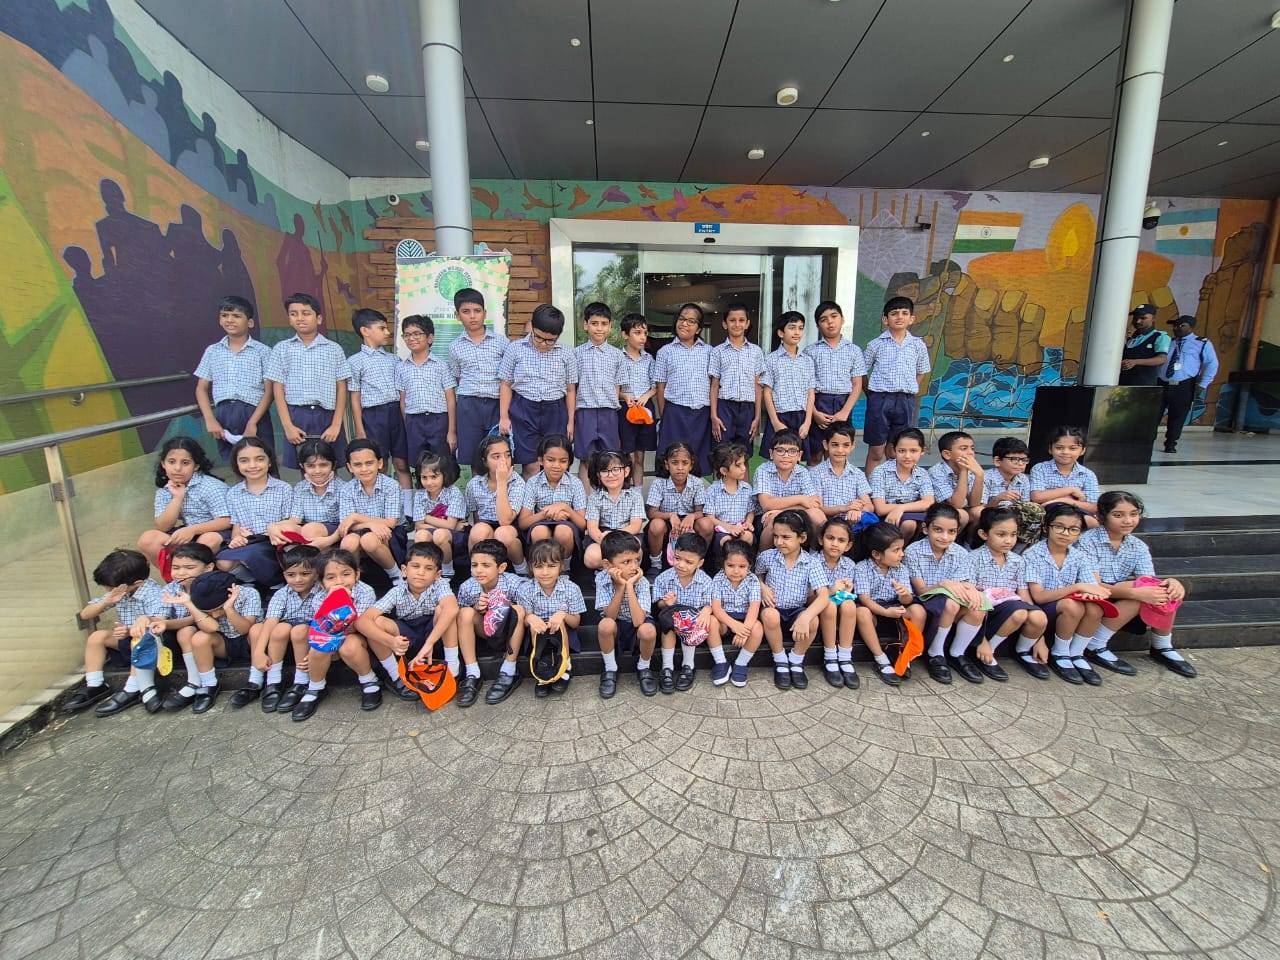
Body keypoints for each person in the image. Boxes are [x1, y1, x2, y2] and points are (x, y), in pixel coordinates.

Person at [1078, 491, 1195, 678]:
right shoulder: (1087, 541)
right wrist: (1136, 592)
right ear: (1101, 516)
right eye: (1118, 515)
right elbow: (1093, 585)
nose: (1128, 520)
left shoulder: (1137, 546)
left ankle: (1162, 646)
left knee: (1163, 590)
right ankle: (1095, 645)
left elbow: (1148, 580)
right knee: (1140, 593)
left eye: (1133, 514)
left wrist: (1171, 583)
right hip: (1091, 596)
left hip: (1120, 596)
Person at [63, 548, 167, 716]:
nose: (108, 590)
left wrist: (130, 630)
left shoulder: (153, 593)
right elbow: (85, 615)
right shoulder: (118, 592)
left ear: (137, 583)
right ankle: (95, 685)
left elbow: (158, 621)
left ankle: (132, 688)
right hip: (127, 639)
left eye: (110, 587)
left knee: (139, 640)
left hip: (153, 645)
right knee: (97, 637)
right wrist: (106, 601)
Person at [357, 541, 462, 698]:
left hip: (435, 637)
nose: (421, 572)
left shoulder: (440, 586)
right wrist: (390, 641)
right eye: (415, 566)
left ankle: (453, 670)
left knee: (445, 610)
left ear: (437, 575)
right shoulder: (397, 592)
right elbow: (362, 621)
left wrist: (429, 643)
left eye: (428, 568)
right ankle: (397, 677)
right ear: (404, 570)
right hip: (407, 639)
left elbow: (452, 608)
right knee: (376, 623)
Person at [291, 548, 382, 721]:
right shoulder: (319, 598)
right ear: (322, 582)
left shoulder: (365, 591)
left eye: (346, 574)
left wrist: (342, 601)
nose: (339, 581)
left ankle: (369, 680)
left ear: (357, 574)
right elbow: (324, 627)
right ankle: (315, 687)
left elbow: (356, 625)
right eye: (331, 577)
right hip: (333, 636)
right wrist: (331, 602)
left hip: (358, 636)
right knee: (317, 649)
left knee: (349, 646)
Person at [1024, 503, 1111, 685]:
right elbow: (1039, 597)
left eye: (1073, 529)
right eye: (1059, 527)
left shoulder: (1079, 556)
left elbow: (1092, 588)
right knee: (1072, 605)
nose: (1065, 533)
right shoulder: (1032, 555)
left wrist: (1088, 592)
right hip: (1041, 611)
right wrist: (1077, 587)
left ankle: (1077, 653)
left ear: (1079, 533)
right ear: (1046, 528)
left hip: (1070, 608)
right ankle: (1060, 652)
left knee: (1095, 607)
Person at [264, 292, 351, 469]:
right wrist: (288, 426)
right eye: (293, 314)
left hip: (327, 415)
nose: (300, 318)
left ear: (318, 318)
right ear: (289, 319)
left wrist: (336, 424)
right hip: (296, 415)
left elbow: (342, 388)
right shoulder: (282, 349)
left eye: (306, 313)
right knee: (304, 465)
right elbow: (278, 389)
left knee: (331, 464)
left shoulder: (333, 349)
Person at [236, 543, 324, 712]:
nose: (297, 580)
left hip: (307, 644)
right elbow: (270, 621)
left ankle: (301, 681)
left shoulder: (322, 592)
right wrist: (259, 653)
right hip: (280, 644)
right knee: (262, 628)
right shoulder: (282, 593)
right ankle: (269, 681)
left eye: (305, 574)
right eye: (291, 575)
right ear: (284, 574)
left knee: (299, 630)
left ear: (317, 573)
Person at [966, 507, 1049, 684]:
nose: (1008, 540)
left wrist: (1040, 639)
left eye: (1013, 535)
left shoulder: (1017, 561)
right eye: (1001, 534)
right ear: (984, 534)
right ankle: (985, 649)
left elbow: (1024, 596)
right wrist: (981, 640)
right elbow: (971, 598)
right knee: (1018, 613)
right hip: (982, 612)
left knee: (1039, 617)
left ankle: (1022, 651)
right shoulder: (972, 559)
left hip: (1009, 609)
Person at [905, 503, 983, 686]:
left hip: (950, 601)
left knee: (978, 606)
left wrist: (971, 590)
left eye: (952, 531)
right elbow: (921, 591)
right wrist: (943, 584)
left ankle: (957, 653)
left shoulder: (960, 553)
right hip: (923, 600)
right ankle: (935, 652)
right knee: (951, 603)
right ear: (926, 529)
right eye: (938, 530)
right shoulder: (913, 552)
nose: (945, 537)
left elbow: (965, 583)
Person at [163, 569, 261, 713]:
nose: (214, 614)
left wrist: (229, 609)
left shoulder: (249, 594)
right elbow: (212, 627)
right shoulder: (200, 598)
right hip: (224, 642)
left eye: (218, 609)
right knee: (200, 637)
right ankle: (209, 684)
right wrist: (190, 604)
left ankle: (255, 681)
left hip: (249, 641)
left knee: (257, 629)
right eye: (209, 611)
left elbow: (244, 629)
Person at [498, 303, 578, 477]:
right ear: (532, 327)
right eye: (539, 338)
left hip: (555, 410)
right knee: (531, 464)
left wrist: (570, 421)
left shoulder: (566, 354)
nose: (543, 344)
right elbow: (505, 384)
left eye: (550, 340)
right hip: (524, 409)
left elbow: (571, 390)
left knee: (555, 462)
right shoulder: (515, 349)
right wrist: (504, 417)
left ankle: (556, 495)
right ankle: (530, 496)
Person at [193, 294, 274, 461]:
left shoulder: (263, 352)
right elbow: (201, 388)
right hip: (223, 413)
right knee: (234, 462)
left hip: (254, 412)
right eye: (225, 315)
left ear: (250, 322)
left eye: (237, 316)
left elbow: (269, 391)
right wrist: (210, 419)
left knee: (263, 459)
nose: (230, 320)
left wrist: (252, 423)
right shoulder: (213, 351)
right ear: (219, 319)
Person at [755, 510, 829, 691]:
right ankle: (780, 659)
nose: (779, 542)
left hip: (796, 610)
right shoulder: (767, 557)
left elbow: (823, 596)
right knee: (770, 615)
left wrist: (805, 617)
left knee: (813, 620)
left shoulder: (812, 562)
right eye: (776, 536)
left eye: (786, 537)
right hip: (773, 609)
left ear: (802, 538)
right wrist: (762, 586)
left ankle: (796, 659)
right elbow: (754, 575)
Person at [137, 436, 231, 571]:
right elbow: (162, 526)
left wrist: (192, 530)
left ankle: (201, 578)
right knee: (148, 539)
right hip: (188, 531)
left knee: (207, 540)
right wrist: (177, 498)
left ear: (196, 466)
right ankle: (175, 578)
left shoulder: (211, 486)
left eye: (185, 463)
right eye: (171, 462)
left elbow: (226, 520)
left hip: (216, 532)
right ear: (163, 464)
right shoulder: (164, 490)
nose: (177, 468)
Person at [862, 296, 931, 472]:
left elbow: (921, 371)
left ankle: (894, 484)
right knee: (876, 450)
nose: (899, 316)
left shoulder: (918, 345)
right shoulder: (876, 344)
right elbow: (861, 371)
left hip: (905, 400)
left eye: (904, 313)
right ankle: (871, 486)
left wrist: (911, 389)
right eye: (894, 313)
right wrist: (871, 393)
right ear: (885, 319)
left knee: (896, 449)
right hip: (880, 399)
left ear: (911, 318)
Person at [853, 522, 925, 686]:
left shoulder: (901, 569)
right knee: (862, 612)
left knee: (918, 611)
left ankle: (903, 654)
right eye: (896, 550)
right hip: (873, 609)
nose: (902, 554)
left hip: (894, 607)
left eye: (901, 549)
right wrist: (885, 612)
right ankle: (880, 658)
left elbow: (907, 601)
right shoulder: (862, 568)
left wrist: (904, 595)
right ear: (877, 554)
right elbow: (865, 599)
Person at [456, 539, 527, 705]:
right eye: (474, 565)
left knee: (518, 610)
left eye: (486, 565)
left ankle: (509, 670)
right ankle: (472, 673)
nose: (479, 570)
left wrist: (500, 607)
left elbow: (527, 611)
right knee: (465, 613)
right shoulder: (467, 587)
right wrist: (476, 608)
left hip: (510, 632)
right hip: (484, 632)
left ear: (501, 568)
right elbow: (459, 618)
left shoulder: (514, 583)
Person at [347, 307, 411, 491]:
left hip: (396, 414)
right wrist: (360, 429)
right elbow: (355, 398)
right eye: (382, 328)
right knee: (378, 464)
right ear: (365, 331)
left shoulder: (394, 360)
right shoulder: (354, 362)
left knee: (402, 463)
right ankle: (380, 504)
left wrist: (405, 418)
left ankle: (407, 506)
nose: (387, 332)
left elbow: (402, 394)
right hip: (373, 417)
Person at [216, 438, 293, 587]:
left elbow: (289, 521)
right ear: (236, 464)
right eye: (244, 461)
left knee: (254, 554)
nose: (252, 465)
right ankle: (251, 582)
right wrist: (237, 538)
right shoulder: (233, 493)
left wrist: (270, 531)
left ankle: (275, 585)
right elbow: (236, 525)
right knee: (223, 560)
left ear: (269, 462)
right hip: (249, 541)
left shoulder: (284, 489)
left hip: (274, 541)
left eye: (259, 459)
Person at [518, 540, 586, 698]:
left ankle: (564, 665)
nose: (545, 572)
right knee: (535, 624)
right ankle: (540, 664)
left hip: (565, 635)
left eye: (551, 566)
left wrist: (562, 614)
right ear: (531, 567)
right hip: (538, 636)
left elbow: (576, 622)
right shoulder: (526, 589)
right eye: (539, 566)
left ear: (561, 566)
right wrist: (530, 617)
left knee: (560, 622)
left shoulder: (571, 588)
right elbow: (524, 621)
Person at [448, 288, 507, 466]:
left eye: (477, 311)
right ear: (457, 315)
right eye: (466, 312)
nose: (472, 316)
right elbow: (457, 377)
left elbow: (508, 379)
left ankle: (499, 485)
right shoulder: (455, 347)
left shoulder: (501, 342)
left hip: (496, 404)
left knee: (498, 453)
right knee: (475, 457)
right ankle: (477, 485)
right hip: (468, 406)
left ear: (485, 313)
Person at [337, 439, 408, 585]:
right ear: (350, 467)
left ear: (379, 463)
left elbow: (391, 522)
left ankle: (396, 575)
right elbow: (346, 525)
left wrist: (356, 517)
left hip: (391, 533)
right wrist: (370, 524)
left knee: (368, 539)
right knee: (348, 542)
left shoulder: (391, 486)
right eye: (358, 465)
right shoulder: (346, 489)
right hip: (359, 530)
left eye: (369, 463)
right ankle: (353, 579)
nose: (364, 469)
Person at [594, 531, 657, 697]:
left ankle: (644, 667)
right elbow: (610, 617)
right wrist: (621, 587)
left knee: (648, 630)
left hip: (637, 625)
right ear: (607, 565)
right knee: (605, 625)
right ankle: (610, 668)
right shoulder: (601, 579)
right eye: (626, 562)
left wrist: (629, 586)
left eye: (636, 560)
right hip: (616, 625)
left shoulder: (641, 581)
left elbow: (639, 621)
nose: (634, 566)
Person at [654, 302, 713, 476]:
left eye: (691, 321)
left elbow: (714, 383)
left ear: (698, 328)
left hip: (702, 414)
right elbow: (660, 386)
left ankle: (694, 492)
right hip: (674, 413)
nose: (684, 324)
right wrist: (665, 415)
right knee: (671, 459)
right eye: (681, 319)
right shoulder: (665, 351)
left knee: (697, 461)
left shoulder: (709, 351)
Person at [653, 533, 717, 693]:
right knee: (669, 624)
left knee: (689, 622)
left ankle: (688, 665)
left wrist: (707, 610)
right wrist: (666, 603)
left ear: (700, 563)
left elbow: (709, 603)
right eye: (677, 558)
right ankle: (667, 668)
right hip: (671, 621)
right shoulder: (663, 578)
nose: (681, 565)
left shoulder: (705, 581)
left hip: (694, 626)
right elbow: (658, 603)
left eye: (689, 562)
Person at [804, 300, 865, 464]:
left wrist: (845, 412)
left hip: (843, 403)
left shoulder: (854, 350)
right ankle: (814, 482)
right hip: (818, 402)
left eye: (834, 316)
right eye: (823, 320)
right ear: (818, 326)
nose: (830, 322)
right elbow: (805, 386)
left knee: (838, 451)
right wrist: (814, 413)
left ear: (842, 319)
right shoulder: (810, 351)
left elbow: (857, 384)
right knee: (815, 453)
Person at [573, 302, 626, 487]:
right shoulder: (576, 354)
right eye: (594, 323)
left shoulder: (617, 355)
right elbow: (572, 386)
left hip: (608, 413)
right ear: (585, 325)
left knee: (610, 458)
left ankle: (608, 498)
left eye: (604, 324)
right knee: (586, 458)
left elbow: (618, 386)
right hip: (585, 412)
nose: (599, 328)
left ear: (610, 326)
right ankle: (585, 500)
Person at [518, 433, 587, 566]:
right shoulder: (533, 483)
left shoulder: (575, 483)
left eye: (563, 461)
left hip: (567, 525)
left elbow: (583, 524)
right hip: (540, 522)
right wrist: (546, 513)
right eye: (550, 460)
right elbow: (523, 523)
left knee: (563, 531)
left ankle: (564, 568)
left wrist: (565, 508)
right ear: (541, 460)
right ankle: (543, 566)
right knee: (539, 532)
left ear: (569, 463)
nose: (556, 465)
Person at [397, 314, 457, 465]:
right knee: (418, 464)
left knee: (441, 463)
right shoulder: (401, 367)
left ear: (430, 338)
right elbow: (403, 401)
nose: (411, 338)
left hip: (439, 420)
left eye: (417, 334)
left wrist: (451, 431)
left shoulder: (441, 366)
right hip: (413, 421)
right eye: (407, 335)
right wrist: (408, 425)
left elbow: (451, 400)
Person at [465, 435, 527, 575]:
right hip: (486, 523)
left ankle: (522, 571)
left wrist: (502, 482)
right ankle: (477, 571)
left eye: (507, 455)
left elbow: (505, 520)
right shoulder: (474, 484)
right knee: (478, 530)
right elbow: (475, 515)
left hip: (510, 525)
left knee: (502, 533)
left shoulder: (517, 482)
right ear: (485, 461)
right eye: (496, 457)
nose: (503, 461)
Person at [708, 301, 764, 455]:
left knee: (743, 453)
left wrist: (757, 417)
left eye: (741, 320)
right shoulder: (717, 351)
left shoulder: (756, 351)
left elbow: (758, 385)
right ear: (725, 324)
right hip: (724, 407)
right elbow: (714, 385)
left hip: (748, 408)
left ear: (747, 324)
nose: (737, 324)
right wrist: (714, 415)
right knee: (722, 452)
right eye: (732, 320)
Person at [754, 431, 826, 549]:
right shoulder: (763, 470)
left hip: (792, 513)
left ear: (799, 455)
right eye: (780, 450)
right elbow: (767, 505)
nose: (786, 455)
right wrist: (800, 499)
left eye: (792, 451)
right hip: (765, 518)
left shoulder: (802, 472)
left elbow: (814, 503)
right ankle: (763, 556)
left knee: (817, 515)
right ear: (771, 453)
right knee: (775, 519)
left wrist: (781, 509)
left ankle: (815, 553)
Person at [1159, 315, 1219, 454]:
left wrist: (1203, 384)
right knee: (1154, 414)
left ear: (1191, 327)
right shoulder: (1169, 342)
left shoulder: (1202, 343)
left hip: (1183, 384)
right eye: (1174, 325)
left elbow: (1211, 364)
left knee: (1178, 416)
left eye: (1181, 325)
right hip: (1162, 382)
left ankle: (1171, 443)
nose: (1176, 328)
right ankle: (1148, 441)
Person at [760, 311, 816, 458]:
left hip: (801, 416)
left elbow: (810, 392)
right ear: (781, 333)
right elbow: (767, 393)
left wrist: (808, 422)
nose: (797, 332)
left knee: (797, 457)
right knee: (778, 456)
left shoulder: (807, 360)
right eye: (792, 327)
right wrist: (775, 422)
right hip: (780, 415)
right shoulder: (771, 359)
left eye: (800, 328)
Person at [270, 438, 342, 551]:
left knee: (311, 529)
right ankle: (296, 558)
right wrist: (273, 526)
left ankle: (314, 557)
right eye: (311, 466)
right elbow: (295, 520)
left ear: (333, 465)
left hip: (336, 531)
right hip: (307, 530)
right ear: (302, 466)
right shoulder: (300, 488)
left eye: (323, 465)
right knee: (284, 529)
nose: (317, 471)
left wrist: (330, 539)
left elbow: (346, 523)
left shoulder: (343, 488)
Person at [710, 540, 765, 689]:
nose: (736, 571)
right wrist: (734, 625)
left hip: (745, 618)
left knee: (757, 628)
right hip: (724, 620)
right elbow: (716, 608)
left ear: (749, 566)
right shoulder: (718, 579)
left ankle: (741, 663)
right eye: (730, 565)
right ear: (723, 564)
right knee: (711, 621)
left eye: (742, 566)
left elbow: (754, 608)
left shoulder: (752, 580)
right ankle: (721, 662)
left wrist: (744, 631)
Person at [646, 441, 707, 573]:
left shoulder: (697, 483)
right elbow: (651, 512)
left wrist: (691, 516)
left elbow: (701, 511)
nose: (680, 467)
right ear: (667, 465)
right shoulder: (659, 483)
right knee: (656, 525)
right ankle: (655, 564)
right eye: (674, 463)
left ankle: (698, 562)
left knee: (706, 524)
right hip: (666, 522)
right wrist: (670, 515)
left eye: (685, 463)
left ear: (691, 465)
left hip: (688, 523)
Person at [812, 517, 859, 688]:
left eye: (841, 540)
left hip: (839, 608)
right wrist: (831, 591)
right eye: (830, 538)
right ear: (821, 539)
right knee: (829, 604)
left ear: (848, 546)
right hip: (817, 605)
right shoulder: (812, 561)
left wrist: (847, 590)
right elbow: (809, 597)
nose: (834, 544)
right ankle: (830, 656)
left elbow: (847, 595)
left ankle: (845, 656)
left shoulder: (849, 565)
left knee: (849, 604)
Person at [583, 449, 646, 570]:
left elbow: (635, 526)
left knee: (633, 554)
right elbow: (592, 527)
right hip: (602, 536)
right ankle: (605, 573)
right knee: (592, 557)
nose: (610, 475)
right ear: (598, 475)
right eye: (604, 471)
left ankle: (625, 574)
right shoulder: (594, 497)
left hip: (627, 534)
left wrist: (614, 537)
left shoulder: (635, 496)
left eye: (615, 469)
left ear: (626, 471)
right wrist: (605, 540)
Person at [869, 427, 935, 543]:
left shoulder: (922, 474)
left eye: (913, 451)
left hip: (914, 516)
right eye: (902, 451)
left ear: (922, 451)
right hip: (886, 519)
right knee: (909, 524)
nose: (907, 456)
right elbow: (880, 508)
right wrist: (900, 509)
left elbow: (928, 502)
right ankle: (897, 549)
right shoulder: (880, 472)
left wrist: (901, 508)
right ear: (894, 450)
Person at [410, 449, 467, 577]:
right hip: (438, 530)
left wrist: (426, 517)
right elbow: (419, 525)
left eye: (434, 477)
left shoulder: (453, 492)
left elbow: (450, 526)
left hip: (454, 536)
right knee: (420, 536)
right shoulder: (420, 494)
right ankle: (425, 569)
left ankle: (447, 570)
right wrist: (445, 525)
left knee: (440, 535)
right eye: (424, 477)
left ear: (444, 475)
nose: (429, 482)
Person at [1029, 425, 1100, 524]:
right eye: (1059, 448)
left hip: (1077, 517)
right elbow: (1037, 497)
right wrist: (1071, 490)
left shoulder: (1088, 475)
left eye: (1072, 448)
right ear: (1050, 449)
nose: (1065, 452)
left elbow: (1094, 507)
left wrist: (1066, 500)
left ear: (1083, 450)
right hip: (1048, 516)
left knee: (1093, 522)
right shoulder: (1040, 469)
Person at [617, 313, 657, 487]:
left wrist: (646, 396)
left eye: (645, 333)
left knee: (640, 455)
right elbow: (613, 387)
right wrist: (624, 396)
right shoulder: (617, 357)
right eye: (637, 333)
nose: (642, 337)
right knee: (628, 455)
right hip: (625, 408)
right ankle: (625, 490)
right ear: (625, 335)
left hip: (644, 408)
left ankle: (638, 494)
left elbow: (656, 386)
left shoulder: (649, 359)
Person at [697, 441, 756, 555]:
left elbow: (750, 511)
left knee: (747, 536)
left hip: (741, 527)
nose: (744, 468)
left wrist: (748, 523)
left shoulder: (747, 488)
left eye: (744, 463)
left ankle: (744, 562)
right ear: (724, 471)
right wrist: (729, 528)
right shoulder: (713, 490)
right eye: (738, 465)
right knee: (726, 541)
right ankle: (723, 563)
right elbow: (710, 517)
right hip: (722, 530)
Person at [813, 423, 874, 522]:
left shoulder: (857, 474)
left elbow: (869, 506)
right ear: (826, 445)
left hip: (852, 521)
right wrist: (845, 508)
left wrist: (857, 510)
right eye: (835, 445)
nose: (840, 450)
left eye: (846, 445)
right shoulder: (816, 473)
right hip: (826, 523)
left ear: (852, 446)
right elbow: (818, 508)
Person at [928, 430, 984, 530]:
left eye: (972, 448)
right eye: (964, 448)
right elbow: (956, 504)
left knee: (979, 511)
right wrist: (963, 471)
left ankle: (969, 539)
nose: (970, 452)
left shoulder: (972, 469)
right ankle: (951, 539)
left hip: (962, 509)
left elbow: (974, 503)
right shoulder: (936, 471)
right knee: (962, 515)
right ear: (947, 454)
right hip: (941, 512)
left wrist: (979, 475)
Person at [1118, 304, 1169, 387]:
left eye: (1143, 318)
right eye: (1135, 318)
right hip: (1122, 385)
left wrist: (1135, 362)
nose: (1138, 321)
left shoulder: (1159, 336)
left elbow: (1161, 359)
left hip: (1143, 386)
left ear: (1153, 318)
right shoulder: (1131, 338)